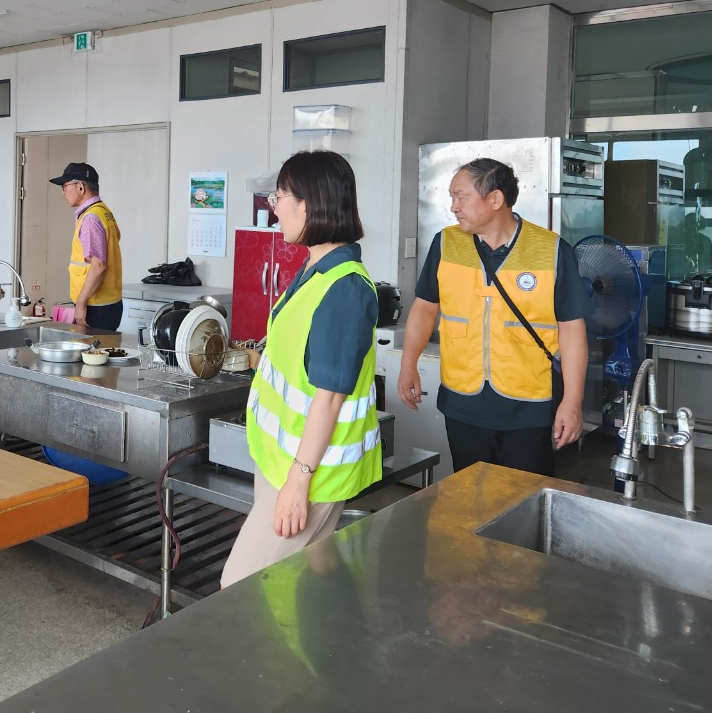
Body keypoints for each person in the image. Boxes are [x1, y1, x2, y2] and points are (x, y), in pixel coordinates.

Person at [221, 150, 383, 588]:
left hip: (309, 471)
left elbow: (329, 397)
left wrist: (298, 484)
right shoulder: (314, 268)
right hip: (283, 461)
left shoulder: (345, 288)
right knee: (302, 590)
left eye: (279, 198)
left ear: (309, 205)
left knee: (239, 588)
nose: (273, 208)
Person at [397, 158, 589, 477]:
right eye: (452, 197)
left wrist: (572, 401)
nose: (454, 207)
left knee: (524, 497)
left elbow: (571, 329)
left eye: (461, 196)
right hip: (463, 402)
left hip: (528, 406)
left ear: (495, 199)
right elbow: (425, 307)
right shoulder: (446, 243)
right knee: (469, 494)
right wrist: (408, 365)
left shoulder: (552, 250)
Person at [49, 161, 123, 330]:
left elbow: (98, 266)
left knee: (92, 347)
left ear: (80, 187)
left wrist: (81, 303)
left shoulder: (90, 218)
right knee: (103, 346)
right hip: (108, 302)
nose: (63, 191)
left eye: (65, 186)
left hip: (95, 305)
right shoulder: (104, 211)